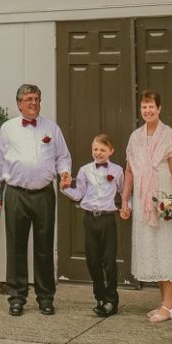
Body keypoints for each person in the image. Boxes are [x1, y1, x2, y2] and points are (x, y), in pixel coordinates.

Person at [0, 83, 72, 316]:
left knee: (44, 247)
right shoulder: (7, 129)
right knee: (16, 248)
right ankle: (16, 297)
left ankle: (46, 297)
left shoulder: (51, 129)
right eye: (28, 99)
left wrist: (65, 173)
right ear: (19, 104)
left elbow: (63, 157)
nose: (33, 103)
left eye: (36, 98)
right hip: (16, 194)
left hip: (44, 193)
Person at [121, 90, 172, 323]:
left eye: (151, 106)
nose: (148, 110)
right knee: (154, 249)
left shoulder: (169, 136)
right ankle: (164, 305)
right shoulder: (135, 137)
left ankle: (168, 306)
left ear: (159, 109)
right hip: (143, 199)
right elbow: (129, 171)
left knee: (167, 248)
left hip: (164, 196)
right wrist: (125, 200)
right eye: (144, 107)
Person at [62, 133, 124, 317]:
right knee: (93, 260)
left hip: (107, 219)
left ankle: (112, 300)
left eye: (102, 150)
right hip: (89, 219)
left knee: (109, 261)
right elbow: (79, 193)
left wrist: (127, 208)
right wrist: (65, 188)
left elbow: (124, 192)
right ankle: (100, 297)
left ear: (111, 151)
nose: (98, 153)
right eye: (95, 149)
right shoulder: (84, 170)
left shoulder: (118, 170)